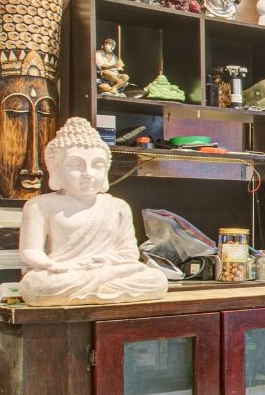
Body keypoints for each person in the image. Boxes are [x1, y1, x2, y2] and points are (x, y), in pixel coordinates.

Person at [17, 118, 169, 305]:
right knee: (35, 286)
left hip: (108, 271)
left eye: (97, 165)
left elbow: (129, 253)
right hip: (66, 273)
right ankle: (106, 291)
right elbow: (30, 250)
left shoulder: (117, 206)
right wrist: (50, 266)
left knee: (156, 279)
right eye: (75, 165)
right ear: (55, 169)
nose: (88, 173)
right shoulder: (39, 205)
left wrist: (107, 262)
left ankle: (96, 291)